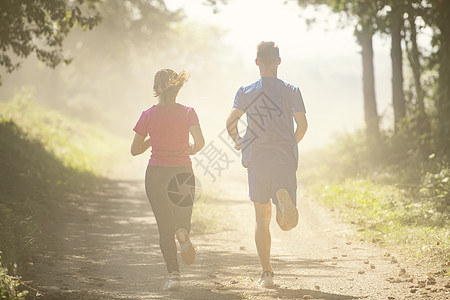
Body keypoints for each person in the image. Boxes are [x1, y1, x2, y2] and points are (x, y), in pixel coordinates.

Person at [226, 41, 308, 288]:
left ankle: (267, 274)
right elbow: (302, 126)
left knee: (262, 219)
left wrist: (239, 139)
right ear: (279, 61)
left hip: (257, 158)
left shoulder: (246, 91)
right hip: (283, 160)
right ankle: (284, 208)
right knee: (285, 225)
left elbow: (231, 122)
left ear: (257, 62)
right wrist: (289, 143)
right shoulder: (292, 91)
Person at [131, 69, 205, 291]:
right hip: (182, 172)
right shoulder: (188, 112)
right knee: (182, 219)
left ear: (155, 89)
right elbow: (199, 142)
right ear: (178, 88)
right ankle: (182, 232)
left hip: (156, 175)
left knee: (164, 228)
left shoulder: (147, 115)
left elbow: (135, 150)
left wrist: (152, 140)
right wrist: (186, 149)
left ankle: (173, 275)